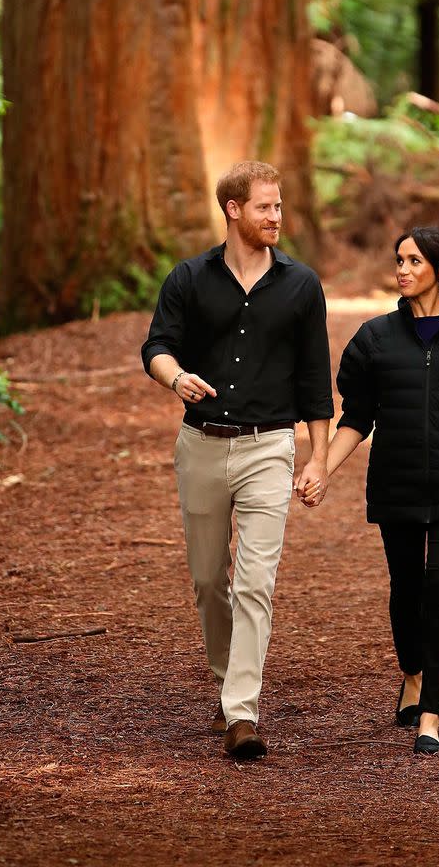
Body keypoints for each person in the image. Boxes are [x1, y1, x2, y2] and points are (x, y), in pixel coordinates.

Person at [141, 161, 333, 761]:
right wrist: (177, 381)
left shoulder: (302, 286)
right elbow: (156, 347)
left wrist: (318, 459)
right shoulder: (189, 279)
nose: (276, 217)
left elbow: (314, 380)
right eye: (264, 207)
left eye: (279, 207)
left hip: (269, 448)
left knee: (256, 581)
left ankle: (241, 710)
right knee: (208, 582)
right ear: (232, 209)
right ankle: (231, 677)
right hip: (200, 444)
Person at [306, 225, 439, 756]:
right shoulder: (376, 339)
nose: (402, 269)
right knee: (405, 589)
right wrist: (322, 467)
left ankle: (431, 718)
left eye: (414, 261)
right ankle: (413, 672)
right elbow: (357, 417)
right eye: (399, 260)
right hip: (396, 481)